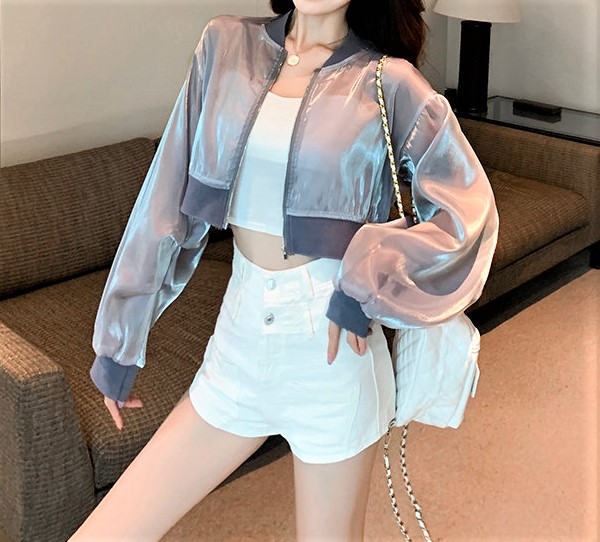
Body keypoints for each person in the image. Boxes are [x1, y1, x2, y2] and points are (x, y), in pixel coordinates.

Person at [69, 0, 498, 540]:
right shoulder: (225, 45)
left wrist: (363, 283)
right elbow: (166, 195)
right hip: (236, 344)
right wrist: (120, 339)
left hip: (333, 357)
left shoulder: (388, 81)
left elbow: (468, 214)